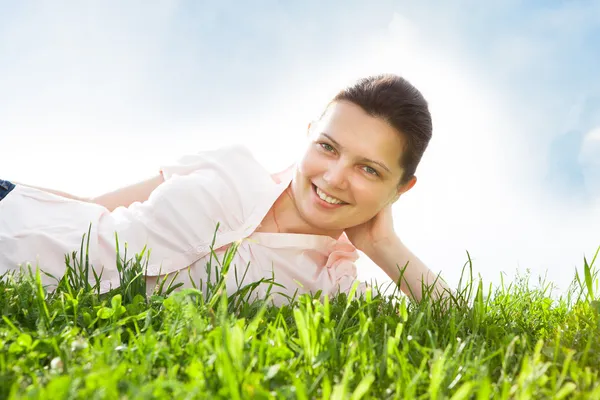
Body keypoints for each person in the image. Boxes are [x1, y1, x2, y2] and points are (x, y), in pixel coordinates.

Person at [0, 74, 451, 305]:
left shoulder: (331, 285)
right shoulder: (231, 165)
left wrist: (384, 244)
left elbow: (465, 328)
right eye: (328, 147)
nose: (334, 177)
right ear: (309, 133)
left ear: (401, 188)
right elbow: (91, 208)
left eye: (369, 170)